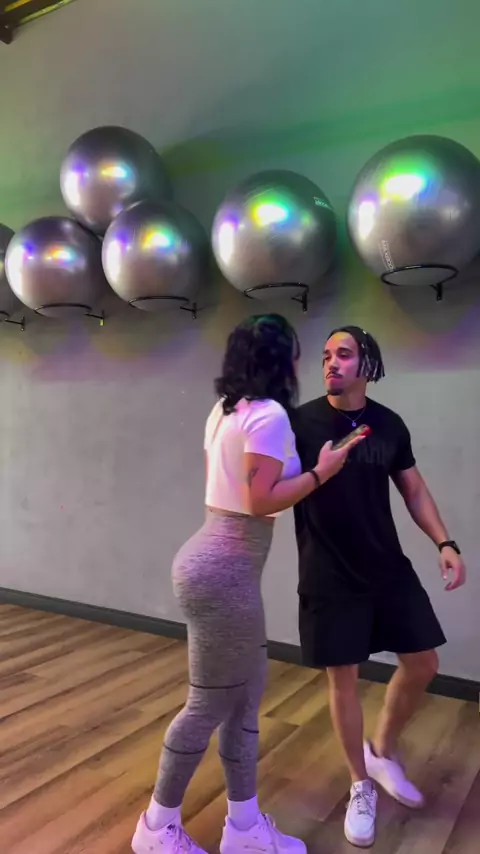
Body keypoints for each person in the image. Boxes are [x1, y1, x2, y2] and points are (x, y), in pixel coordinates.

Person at [132, 314, 365, 854]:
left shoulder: (225, 410)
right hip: (225, 574)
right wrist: (322, 473)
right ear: (282, 359)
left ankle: (243, 828)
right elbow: (260, 501)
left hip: (217, 564)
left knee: (243, 701)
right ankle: (156, 827)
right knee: (207, 705)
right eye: (299, 353)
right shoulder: (269, 416)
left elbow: (237, 490)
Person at [290, 325, 466, 849]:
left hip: (386, 566)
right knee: (342, 677)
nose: (331, 363)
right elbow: (271, 486)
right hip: (329, 570)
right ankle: (360, 784)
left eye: (343, 354)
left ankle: (381, 751)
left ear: (367, 364)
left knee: (423, 663)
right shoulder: (300, 424)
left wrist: (445, 542)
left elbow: (413, 489)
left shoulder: (388, 425)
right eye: (326, 355)